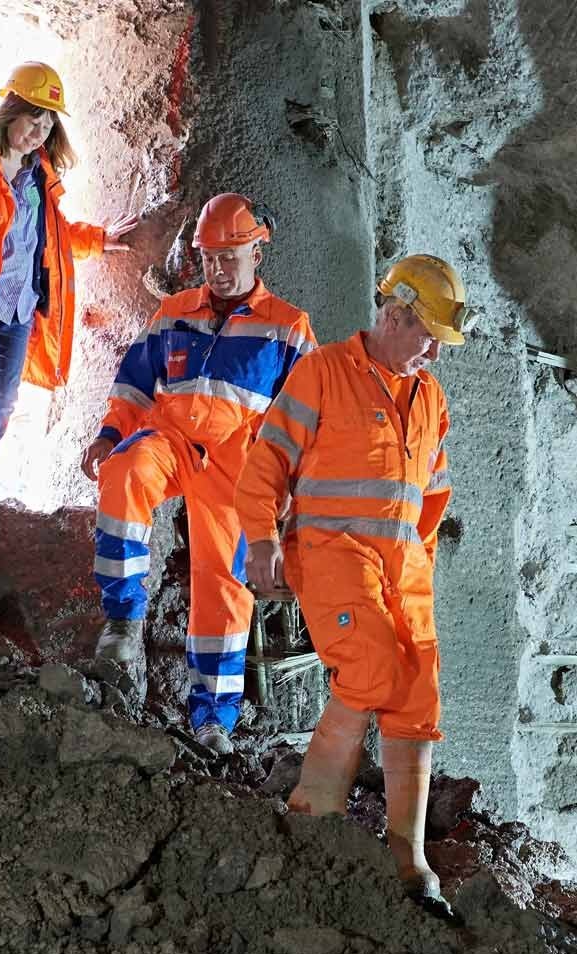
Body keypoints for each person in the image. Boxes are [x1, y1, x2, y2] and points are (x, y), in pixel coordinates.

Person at [234, 253, 474, 912]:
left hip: (403, 566)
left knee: (417, 694)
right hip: (334, 555)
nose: (433, 351)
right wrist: (261, 539)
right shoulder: (323, 374)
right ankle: (311, 812)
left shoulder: (430, 398)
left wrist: (418, 564)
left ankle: (408, 855)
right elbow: (266, 464)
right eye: (427, 334)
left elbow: (434, 494)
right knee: (370, 669)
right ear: (395, 313)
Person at [81, 194, 316, 752]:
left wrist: (293, 499)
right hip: (174, 438)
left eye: (230, 255)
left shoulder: (288, 328)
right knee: (126, 470)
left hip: (242, 464)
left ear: (258, 252)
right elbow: (135, 382)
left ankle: (212, 720)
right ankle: (122, 624)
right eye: (210, 255)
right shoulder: (174, 312)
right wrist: (109, 434)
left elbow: (310, 421)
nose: (218, 266)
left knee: (225, 584)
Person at [0, 61, 134, 510]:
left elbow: (53, 235)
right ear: (11, 111)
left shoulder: (39, 174)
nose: (39, 130)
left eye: (48, 122)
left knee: (7, 390)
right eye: (33, 118)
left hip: (23, 300)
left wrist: (100, 239)